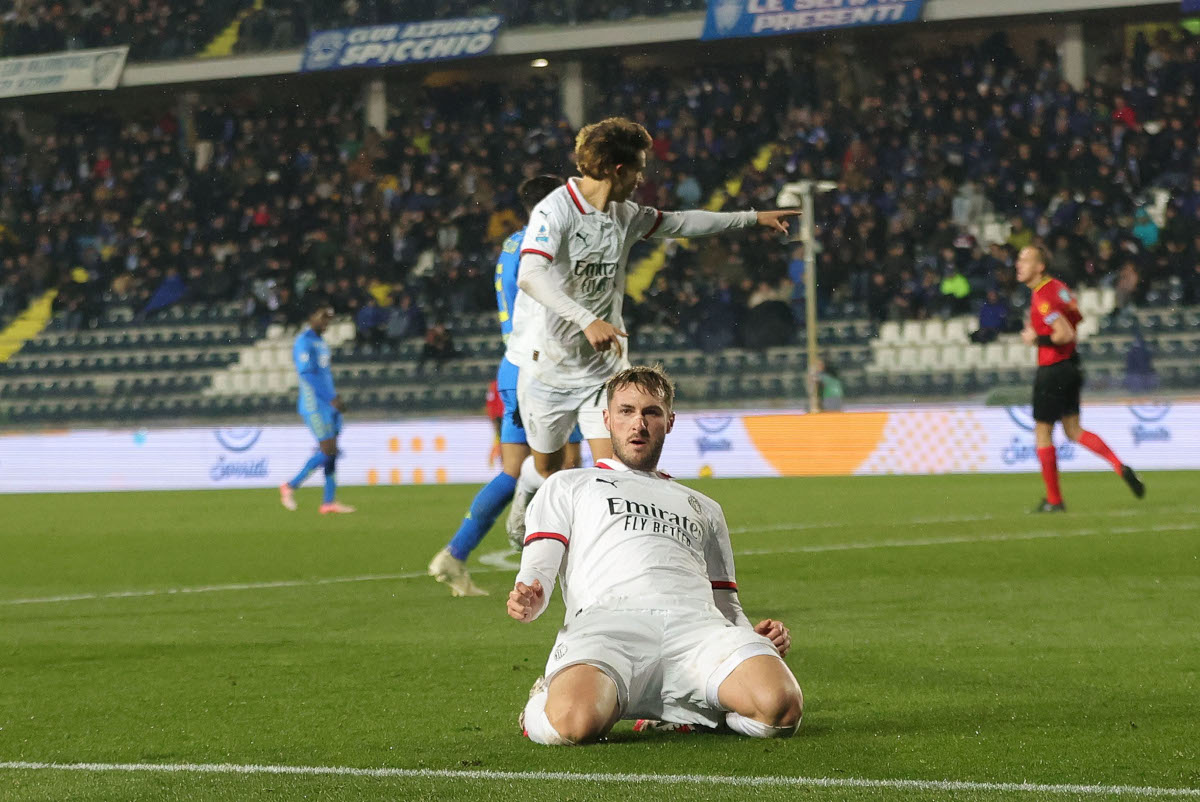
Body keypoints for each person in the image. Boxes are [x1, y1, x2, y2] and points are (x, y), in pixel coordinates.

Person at [505, 116, 800, 546]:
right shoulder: (556, 210)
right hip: (549, 366)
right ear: (617, 169)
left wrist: (752, 218)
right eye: (639, 168)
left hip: (604, 371)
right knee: (548, 467)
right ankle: (526, 494)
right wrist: (585, 319)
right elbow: (531, 274)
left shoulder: (625, 215)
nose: (643, 178)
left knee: (619, 474)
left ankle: (613, 554)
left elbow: (683, 223)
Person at [507, 365, 802, 745]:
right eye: (626, 411)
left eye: (651, 412)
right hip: (610, 628)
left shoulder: (704, 506)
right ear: (607, 420)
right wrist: (531, 595)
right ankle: (540, 703)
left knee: (782, 708)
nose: (638, 424)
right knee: (573, 725)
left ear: (670, 421)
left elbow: (725, 602)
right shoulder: (570, 484)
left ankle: (691, 714)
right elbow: (539, 567)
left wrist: (749, 637)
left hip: (697, 632)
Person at [428, 176, 583, 597]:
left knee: (514, 471)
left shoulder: (512, 244)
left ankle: (455, 553)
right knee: (568, 465)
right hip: (548, 368)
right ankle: (574, 571)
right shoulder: (547, 247)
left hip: (513, 368)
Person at [1016, 245, 1144, 512]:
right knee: (1073, 430)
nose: (1018, 264)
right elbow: (1076, 316)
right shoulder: (1058, 288)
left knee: (1043, 431)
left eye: (1025, 260)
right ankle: (1119, 466)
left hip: (1052, 369)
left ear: (1040, 267)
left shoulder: (1042, 296)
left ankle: (1054, 500)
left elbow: (1064, 333)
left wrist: (1035, 338)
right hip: (1072, 366)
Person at [279, 303, 356, 514]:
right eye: (323, 318)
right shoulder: (303, 342)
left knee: (331, 453)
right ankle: (290, 486)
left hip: (328, 404)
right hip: (314, 405)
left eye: (329, 319)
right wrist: (331, 398)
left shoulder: (320, 342)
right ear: (311, 317)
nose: (326, 323)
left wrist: (333, 398)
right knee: (330, 450)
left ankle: (328, 502)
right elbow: (308, 374)